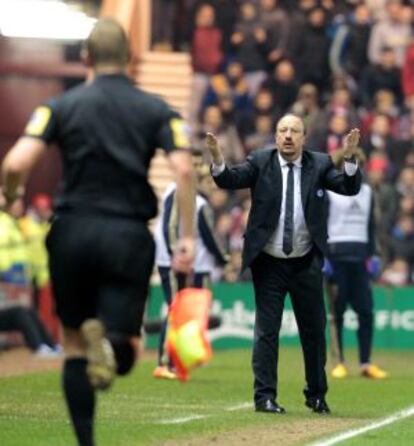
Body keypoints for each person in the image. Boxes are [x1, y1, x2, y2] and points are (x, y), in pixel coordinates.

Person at [1, 18, 195, 446]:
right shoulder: (157, 109)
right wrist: (188, 236)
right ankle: (109, 343)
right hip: (127, 234)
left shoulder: (59, 107)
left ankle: (85, 442)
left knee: (72, 344)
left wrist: (10, 196)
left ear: (85, 58)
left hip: (71, 231)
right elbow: (183, 167)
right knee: (124, 347)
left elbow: (16, 163)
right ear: (129, 59)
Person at [205, 114, 362, 415]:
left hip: (305, 261)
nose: (288, 135)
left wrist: (351, 155)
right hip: (269, 263)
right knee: (267, 331)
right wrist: (216, 156)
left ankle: (316, 394)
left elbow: (349, 187)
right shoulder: (260, 161)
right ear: (276, 136)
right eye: (282, 130)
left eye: (294, 131)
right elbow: (229, 179)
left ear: (304, 138)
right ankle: (264, 397)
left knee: (314, 331)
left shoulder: (319, 164)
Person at [153, 149, 227, 379]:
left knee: (179, 310)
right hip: (174, 260)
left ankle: (176, 358)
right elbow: (170, 226)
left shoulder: (181, 193)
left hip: (173, 258)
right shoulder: (183, 194)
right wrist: (179, 254)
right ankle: (165, 362)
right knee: (178, 310)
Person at [326, 148, 388, 380]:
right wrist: (323, 256)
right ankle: (338, 361)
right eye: (352, 162)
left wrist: (375, 255)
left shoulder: (368, 192)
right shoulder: (331, 191)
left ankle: (365, 362)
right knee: (337, 313)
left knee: (365, 312)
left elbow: (373, 226)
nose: (357, 166)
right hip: (336, 256)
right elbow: (321, 223)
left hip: (360, 257)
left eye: (360, 163)